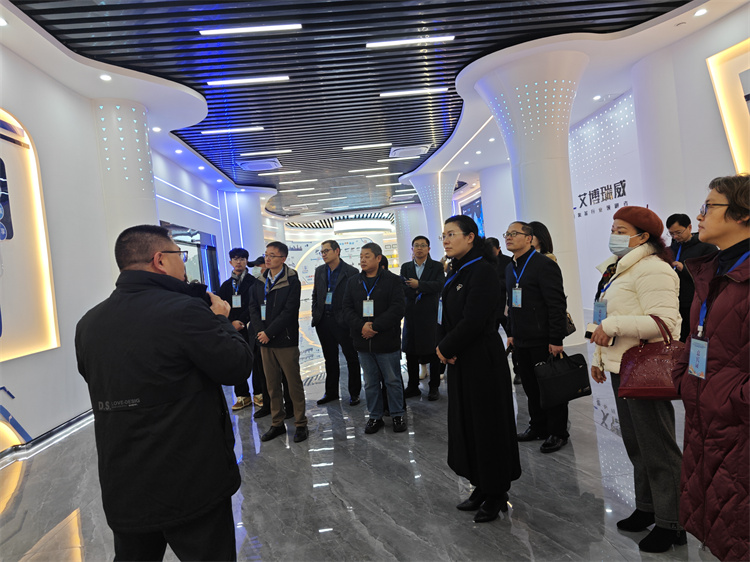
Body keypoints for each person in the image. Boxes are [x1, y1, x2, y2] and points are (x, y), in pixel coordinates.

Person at [75, 225, 253, 560]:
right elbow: (236, 367)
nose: (183, 264)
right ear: (160, 260)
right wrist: (220, 320)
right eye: (179, 255)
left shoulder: (88, 323)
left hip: (124, 483)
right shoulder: (185, 310)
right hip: (191, 481)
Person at [589, 206, 684, 553]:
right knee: (637, 445)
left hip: (645, 370)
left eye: (621, 230)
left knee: (658, 448)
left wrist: (612, 327)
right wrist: (599, 358)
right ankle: (647, 507)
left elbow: (665, 323)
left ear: (643, 236)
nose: (613, 235)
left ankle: (672, 522)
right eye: (613, 229)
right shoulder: (618, 270)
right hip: (622, 367)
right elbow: (604, 315)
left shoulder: (653, 269)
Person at [672, 174, 749, 562]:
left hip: (737, 422)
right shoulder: (712, 269)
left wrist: (728, 395)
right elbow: (698, 334)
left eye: (709, 206)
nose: (699, 215)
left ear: (743, 214)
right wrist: (685, 374)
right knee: (719, 522)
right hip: (707, 418)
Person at [437, 215, 521, 523]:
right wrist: (443, 345)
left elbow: (474, 320)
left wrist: (445, 347)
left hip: (481, 359)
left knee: (487, 425)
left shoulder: (483, 271)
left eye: (452, 234)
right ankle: (480, 485)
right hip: (461, 358)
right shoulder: (457, 269)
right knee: (467, 424)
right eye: (444, 235)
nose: (446, 240)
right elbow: (445, 315)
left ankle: (496, 491)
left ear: (470, 237)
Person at [504, 221, 569, 453]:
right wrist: (511, 332)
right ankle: (538, 426)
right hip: (521, 339)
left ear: (529, 238)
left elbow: (556, 304)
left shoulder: (544, 264)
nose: (509, 237)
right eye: (507, 233)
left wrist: (556, 339)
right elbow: (511, 304)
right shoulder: (510, 267)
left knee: (551, 387)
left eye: (514, 233)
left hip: (543, 339)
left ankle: (558, 432)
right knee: (531, 387)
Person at [343, 242, 407, 434]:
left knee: (392, 380)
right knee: (370, 382)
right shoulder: (353, 282)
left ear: (378, 258)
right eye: (361, 256)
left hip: (386, 340)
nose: (362, 260)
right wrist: (362, 326)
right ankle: (375, 416)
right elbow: (347, 309)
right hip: (363, 341)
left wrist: (375, 327)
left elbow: (398, 309)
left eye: (367, 256)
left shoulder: (393, 280)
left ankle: (397, 414)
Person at [248, 241, 309, 443]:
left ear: (283, 258)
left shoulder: (292, 281)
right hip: (264, 341)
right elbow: (253, 308)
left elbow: (289, 312)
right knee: (272, 384)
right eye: (266, 254)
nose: (267, 258)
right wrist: (260, 332)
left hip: (285, 340)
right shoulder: (259, 281)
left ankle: (300, 423)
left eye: (272, 255)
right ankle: (277, 423)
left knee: (293, 383)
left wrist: (269, 333)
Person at [312, 240, 362, 406]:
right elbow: (315, 294)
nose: (324, 254)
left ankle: (354, 392)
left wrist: (349, 319)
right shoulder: (320, 271)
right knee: (330, 359)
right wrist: (315, 313)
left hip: (343, 322)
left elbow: (355, 299)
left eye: (326, 251)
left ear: (337, 251)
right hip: (323, 321)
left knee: (351, 358)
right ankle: (331, 392)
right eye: (322, 252)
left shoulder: (351, 272)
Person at [217, 247, 264, 411]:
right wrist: (231, 323)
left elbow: (255, 305)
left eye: (242, 259)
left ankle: (259, 393)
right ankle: (242, 396)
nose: (239, 262)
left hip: (251, 326)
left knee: (256, 360)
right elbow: (221, 305)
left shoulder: (254, 282)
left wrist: (242, 321)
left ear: (246, 261)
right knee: (236, 360)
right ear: (230, 262)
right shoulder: (225, 285)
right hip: (232, 328)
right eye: (236, 259)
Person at [401, 236, 445, 401]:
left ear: (428, 249)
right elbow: (403, 287)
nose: (419, 248)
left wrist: (419, 285)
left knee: (433, 352)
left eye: (423, 245)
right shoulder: (406, 267)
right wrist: (422, 289)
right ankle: (413, 386)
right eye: (416, 245)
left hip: (430, 314)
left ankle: (434, 387)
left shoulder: (437, 266)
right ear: (412, 249)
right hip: (411, 314)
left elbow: (439, 285)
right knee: (411, 352)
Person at [666, 213, 716, 342]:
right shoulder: (670, 249)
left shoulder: (706, 246)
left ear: (689, 227)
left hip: (695, 302)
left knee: (692, 338)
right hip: (673, 302)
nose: (675, 237)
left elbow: (711, 275)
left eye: (678, 232)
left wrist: (684, 269)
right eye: (671, 234)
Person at [485, 236, 511, 332]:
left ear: (499, 249)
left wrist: (494, 283)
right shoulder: (484, 262)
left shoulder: (508, 261)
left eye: (492, 250)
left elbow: (510, 281)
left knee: (511, 333)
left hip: (504, 303)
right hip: (490, 306)